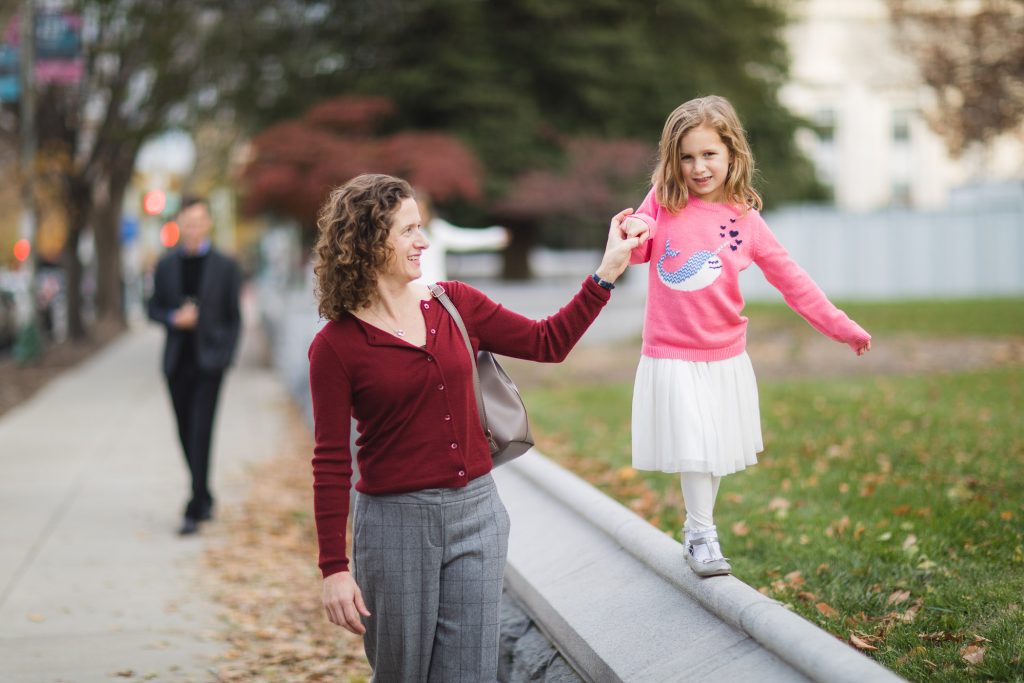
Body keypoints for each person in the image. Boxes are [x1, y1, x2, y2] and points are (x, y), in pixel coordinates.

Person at [308, 173, 637, 681]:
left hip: (477, 516)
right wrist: (334, 567)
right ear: (370, 241)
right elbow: (330, 462)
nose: (424, 241)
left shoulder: (454, 303)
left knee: (471, 675)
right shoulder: (335, 346)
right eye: (408, 231)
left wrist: (607, 271)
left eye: (422, 227)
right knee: (403, 674)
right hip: (394, 526)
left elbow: (549, 342)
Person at [622, 95, 872, 578]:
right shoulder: (664, 202)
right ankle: (701, 533)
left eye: (709, 154)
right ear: (673, 160)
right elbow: (638, 251)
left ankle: (699, 529)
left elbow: (793, 281)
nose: (698, 167)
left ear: (732, 154)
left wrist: (841, 327)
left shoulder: (746, 221)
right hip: (672, 352)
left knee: (711, 449)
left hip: (724, 355)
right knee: (694, 442)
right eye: (687, 157)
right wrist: (631, 226)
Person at [148, 196, 242, 536]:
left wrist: (226, 358)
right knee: (185, 431)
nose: (193, 228)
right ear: (179, 225)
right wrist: (175, 318)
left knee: (202, 431)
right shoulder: (166, 265)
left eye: (198, 221)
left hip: (209, 364)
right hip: (176, 363)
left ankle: (194, 504)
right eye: (187, 222)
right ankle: (204, 495)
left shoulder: (226, 266)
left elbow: (234, 319)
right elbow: (153, 308)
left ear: (208, 223)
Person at [414, 191, 510, 283]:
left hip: (433, 292)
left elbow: (465, 239)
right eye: (416, 211)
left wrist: (496, 236)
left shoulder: (436, 230)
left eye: (422, 211)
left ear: (428, 211)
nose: (419, 216)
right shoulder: (403, 234)